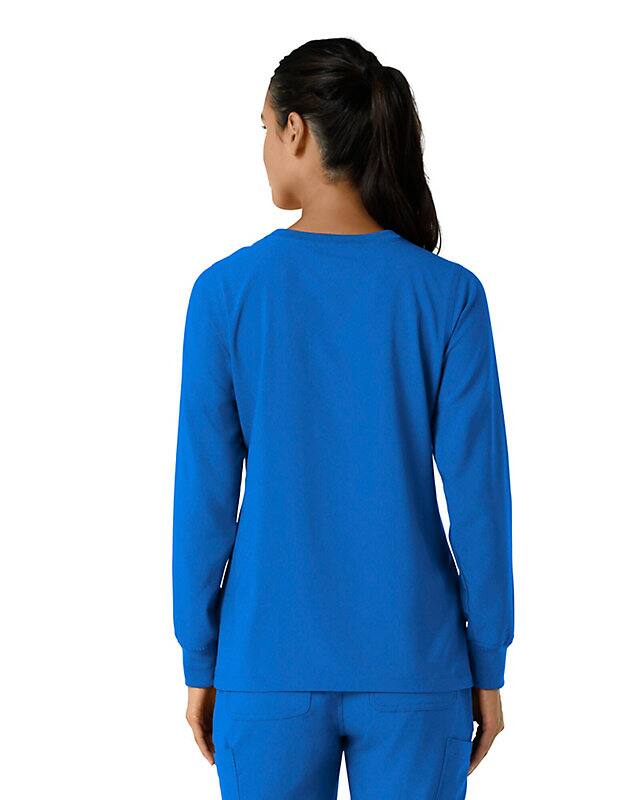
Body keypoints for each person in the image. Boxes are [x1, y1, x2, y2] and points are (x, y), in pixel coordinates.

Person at [172, 37, 514, 800]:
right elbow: (481, 504)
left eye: (264, 128)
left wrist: (202, 658)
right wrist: (487, 663)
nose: (264, 148)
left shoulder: (226, 293)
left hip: (264, 662)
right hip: (417, 664)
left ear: (295, 130)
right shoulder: (448, 296)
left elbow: (204, 502)